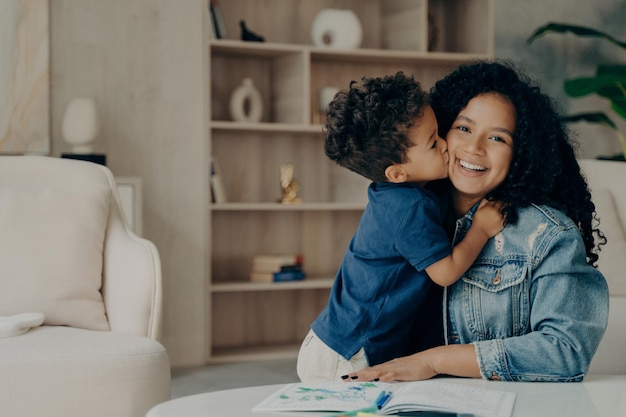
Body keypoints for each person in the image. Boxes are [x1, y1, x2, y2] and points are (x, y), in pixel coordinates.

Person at [345, 60, 610, 383]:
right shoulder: (408, 213)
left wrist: (433, 361)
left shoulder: (547, 234)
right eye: (464, 128)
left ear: (522, 152)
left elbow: (565, 352)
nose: (473, 147)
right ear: (440, 132)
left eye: (498, 138)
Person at [297, 72, 505, 382]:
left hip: (333, 340)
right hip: (350, 354)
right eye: (433, 143)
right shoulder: (411, 208)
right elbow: (445, 272)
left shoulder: (394, 194)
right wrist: (482, 228)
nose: (447, 145)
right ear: (397, 173)